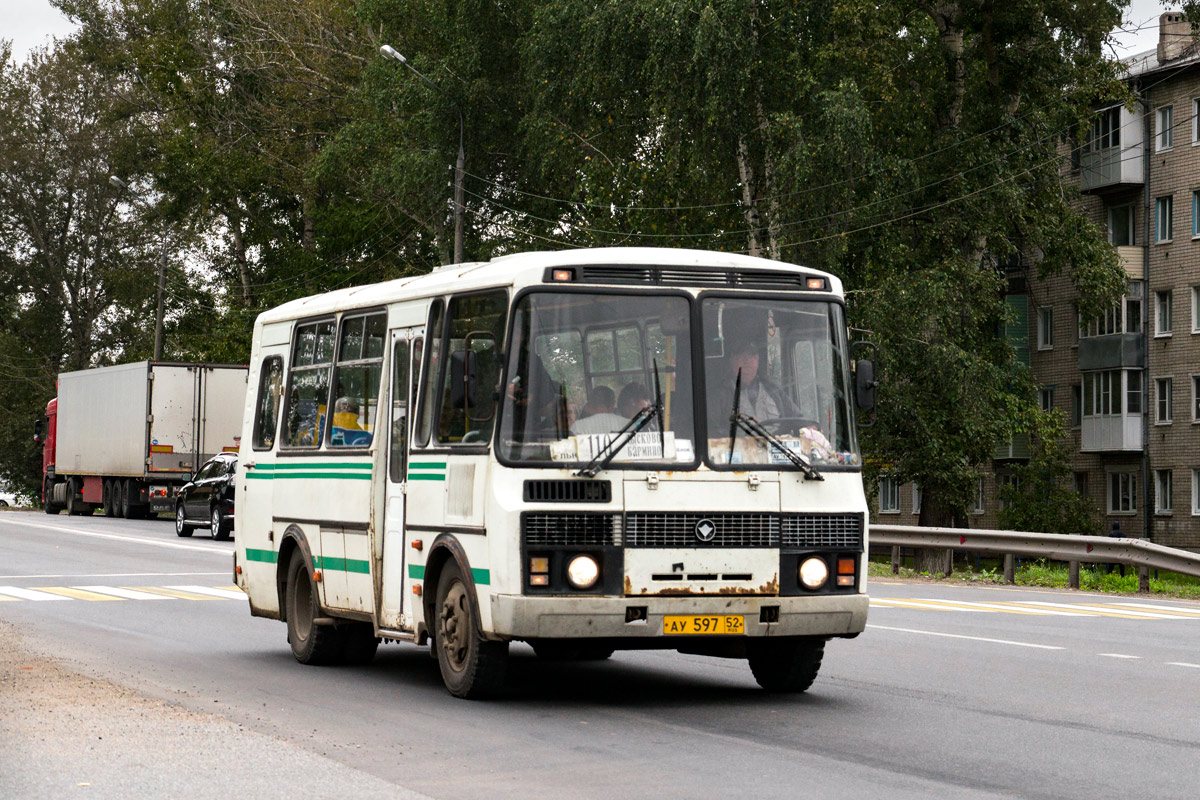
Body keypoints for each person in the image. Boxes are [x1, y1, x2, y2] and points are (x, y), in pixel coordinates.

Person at [711, 338, 801, 426]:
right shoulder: (720, 395)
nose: (747, 360)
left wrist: (807, 428)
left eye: (751, 355)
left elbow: (798, 418)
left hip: (776, 440)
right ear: (731, 360)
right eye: (740, 355)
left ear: (757, 360)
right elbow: (711, 429)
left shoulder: (774, 391)